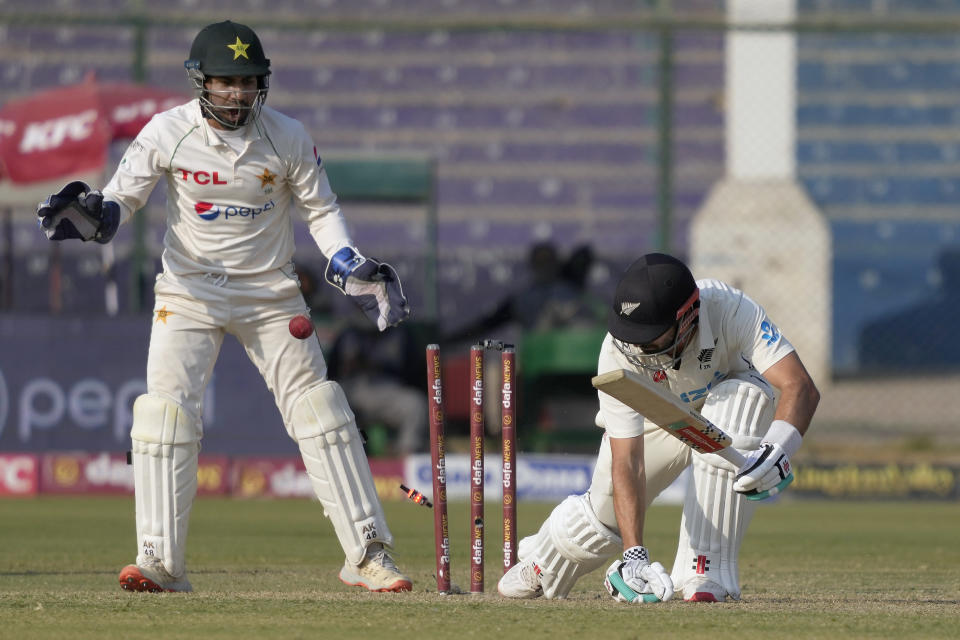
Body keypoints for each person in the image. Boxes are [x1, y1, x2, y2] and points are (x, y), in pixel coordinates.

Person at [36, 20, 413, 594]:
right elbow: (120, 199)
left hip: (271, 294)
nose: (237, 94)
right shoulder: (168, 131)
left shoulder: (286, 135)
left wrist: (346, 262)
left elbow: (322, 210)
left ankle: (367, 553)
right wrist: (95, 213)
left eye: (248, 82)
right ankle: (161, 560)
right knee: (164, 417)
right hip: (188, 292)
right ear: (201, 82)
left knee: (321, 411)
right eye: (225, 82)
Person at [497, 252, 820, 602]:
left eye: (650, 337)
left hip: (724, 400)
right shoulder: (616, 352)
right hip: (659, 414)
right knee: (603, 511)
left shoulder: (730, 308)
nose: (638, 346)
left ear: (687, 317)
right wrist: (634, 555)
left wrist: (778, 448)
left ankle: (704, 571)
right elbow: (628, 462)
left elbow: (799, 385)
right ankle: (544, 559)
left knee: (741, 398)